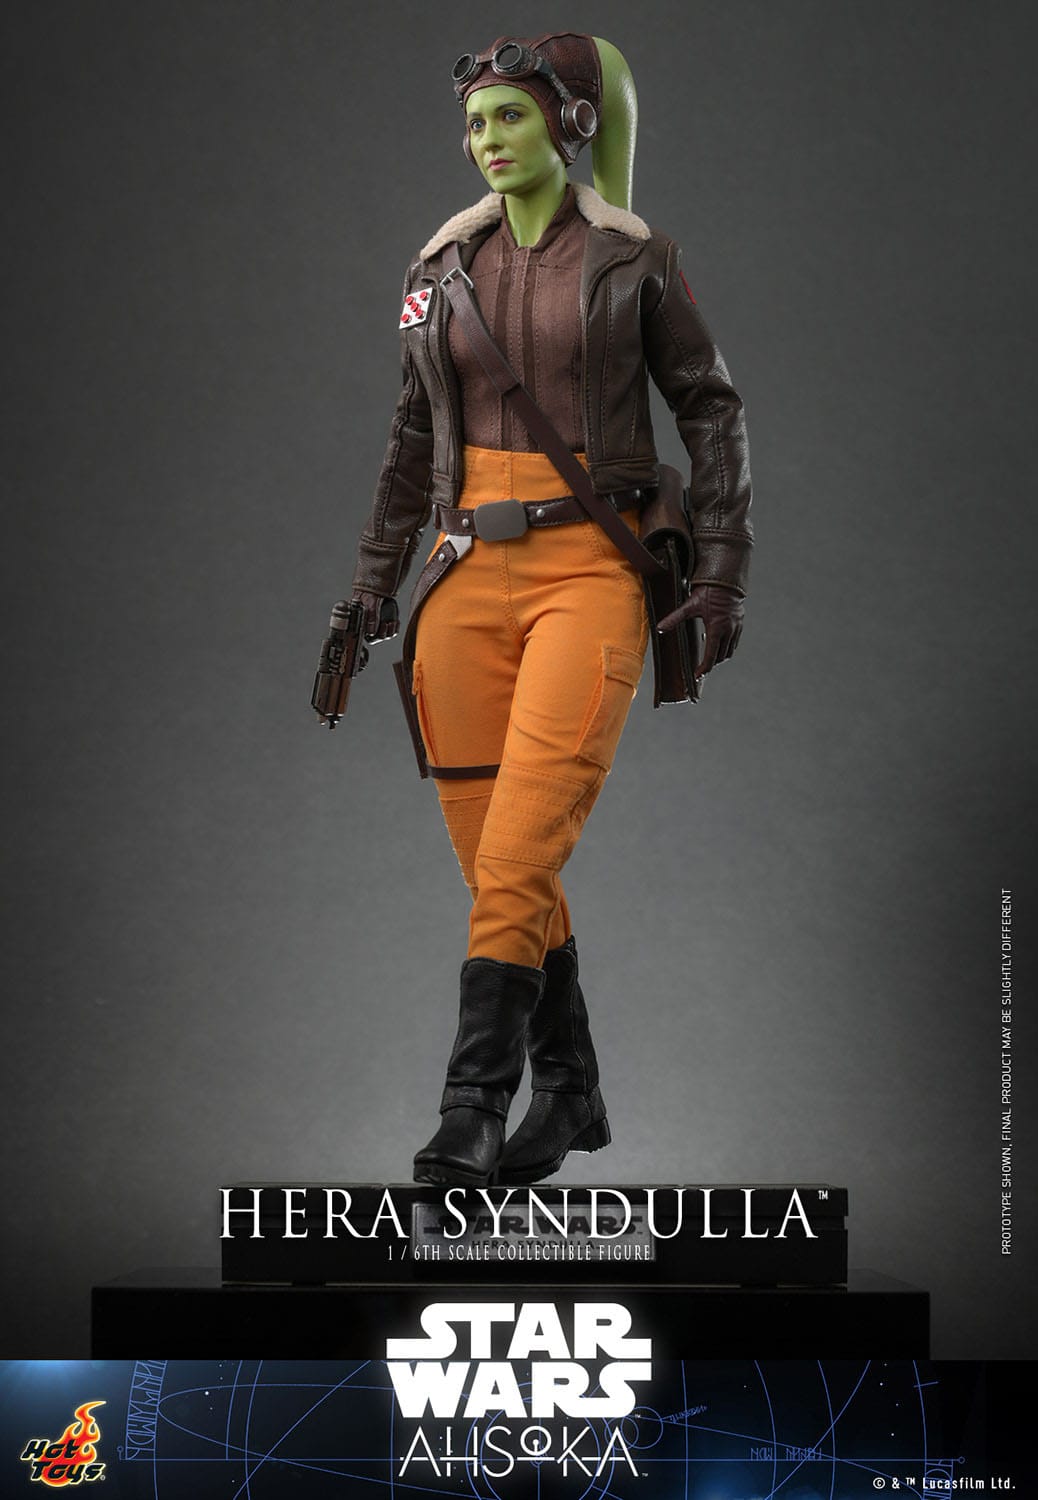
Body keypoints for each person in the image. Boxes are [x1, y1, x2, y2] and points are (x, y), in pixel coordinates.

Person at [345, 33, 753, 1188]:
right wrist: (372, 578)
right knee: (495, 860)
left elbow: (711, 407)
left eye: (511, 117)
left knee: (525, 841)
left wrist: (724, 562)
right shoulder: (443, 267)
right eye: (476, 122)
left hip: (590, 568)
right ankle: (571, 1086)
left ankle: (471, 1107)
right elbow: (411, 433)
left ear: (570, 125)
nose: (487, 140)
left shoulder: (636, 258)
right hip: (462, 574)